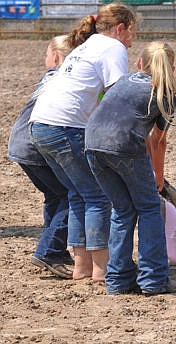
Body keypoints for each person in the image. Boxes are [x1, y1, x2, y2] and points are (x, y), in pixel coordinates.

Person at [29, 3, 137, 282]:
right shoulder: (113, 48)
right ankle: (101, 270)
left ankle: (82, 268)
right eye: (132, 33)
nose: (132, 40)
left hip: (41, 124)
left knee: (79, 195)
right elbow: (118, 96)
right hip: (65, 127)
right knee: (98, 196)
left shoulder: (86, 46)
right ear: (121, 28)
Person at [85, 41, 176, 295]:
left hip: (92, 143)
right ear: (172, 67)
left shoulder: (124, 81)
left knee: (123, 209)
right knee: (150, 208)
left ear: (139, 63)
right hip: (123, 146)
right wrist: (157, 177)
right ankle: (153, 279)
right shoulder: (166, 94)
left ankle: (117, 280)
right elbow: (158, 141)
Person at [8, 35, 74, 279]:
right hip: (35, 147)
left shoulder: (50, 76)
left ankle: (55, 248)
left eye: (46, 53)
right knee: (71, 195)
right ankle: (49, 251)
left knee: (55, 194)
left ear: (56, 56)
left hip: (23, 145)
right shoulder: (65, 77)